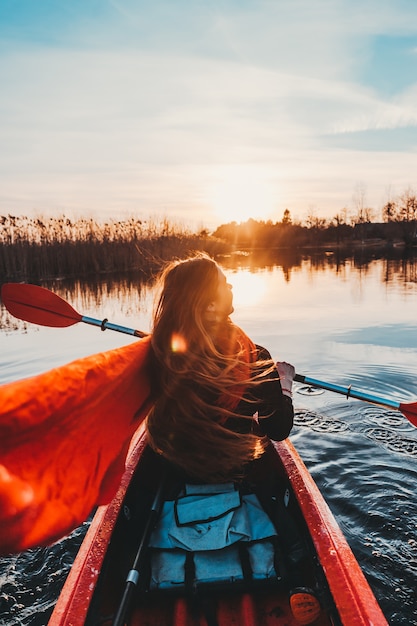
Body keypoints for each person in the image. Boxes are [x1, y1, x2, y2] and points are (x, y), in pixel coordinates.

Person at [145, 252, 295, 484]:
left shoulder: (161, 353)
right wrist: (284, 383)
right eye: (224, 284)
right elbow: (277, 429)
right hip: (237, 474)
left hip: (174, 474)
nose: (231, 285)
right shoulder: (255, 357)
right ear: (210, 305)